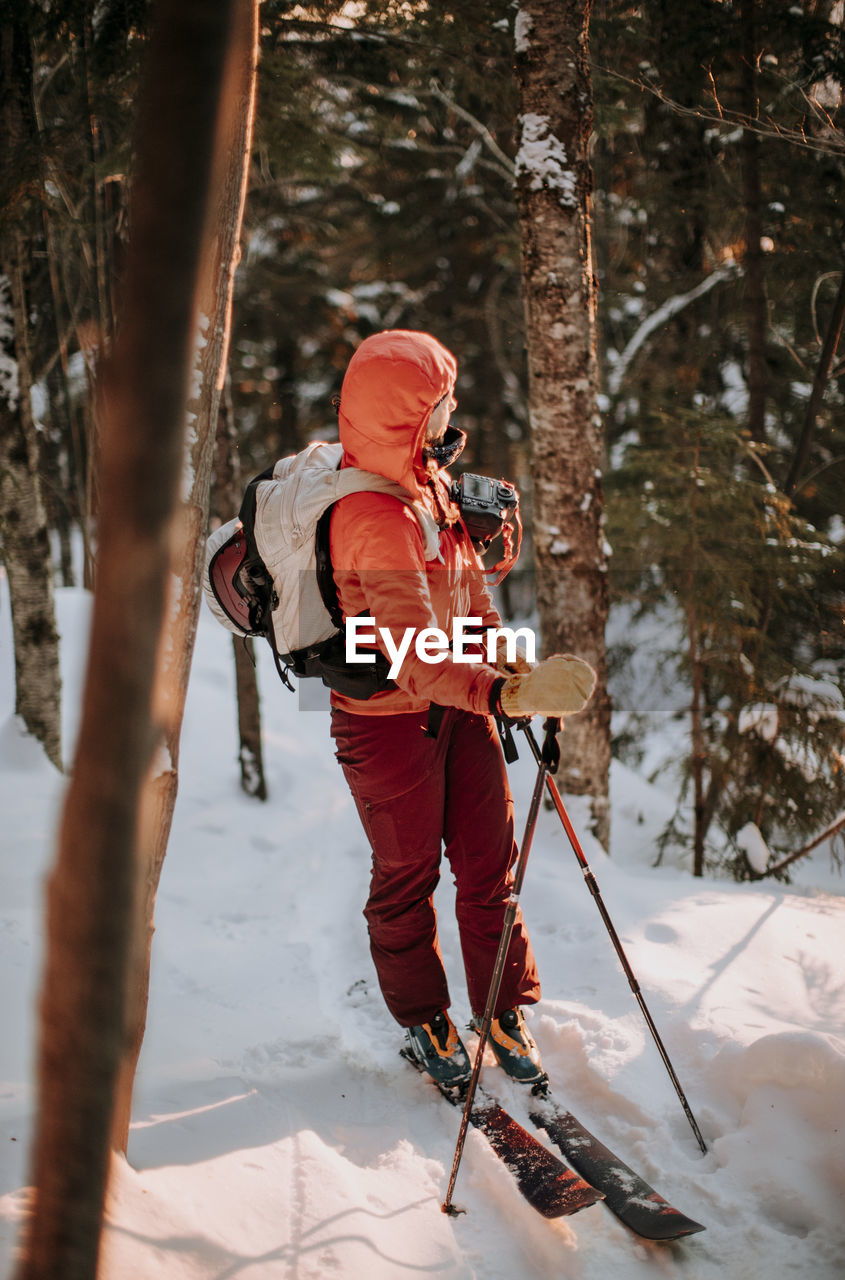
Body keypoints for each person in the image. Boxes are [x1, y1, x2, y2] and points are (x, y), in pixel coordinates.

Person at [328, 329, 596, 1088]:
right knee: (406, 874)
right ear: (406, 414)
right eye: (441, 400)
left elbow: (471, 595)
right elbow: (413, 657)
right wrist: (502, 692)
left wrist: (511, 660)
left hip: (464, 706)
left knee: (488, 867)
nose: (453, 410)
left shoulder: (430, 484)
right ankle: (423, 1022)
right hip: (387, 725)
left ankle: (499, 1005)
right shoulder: (371, 517)